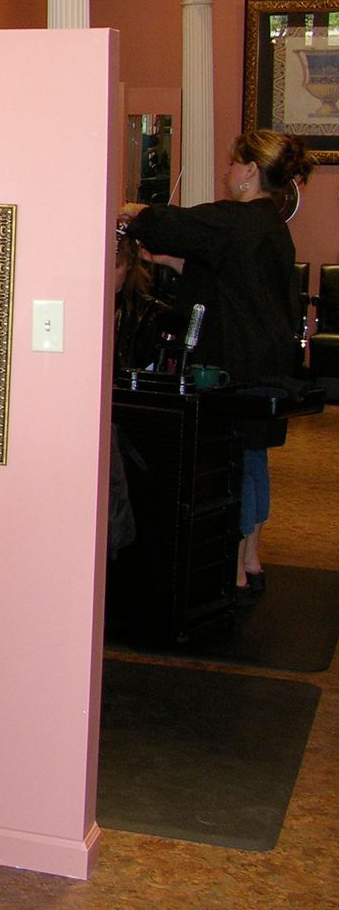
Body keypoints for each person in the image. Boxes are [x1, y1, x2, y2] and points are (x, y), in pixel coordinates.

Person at [117, 129, 311, 598]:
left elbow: (171, 223)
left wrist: (134, 213)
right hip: (267, 360)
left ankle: (234, 572)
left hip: (237, 362)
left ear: (248, 171)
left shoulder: (235, 220)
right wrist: (173, 262)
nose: (225, 172)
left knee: (234, 458)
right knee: (254, 457)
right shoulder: (270, 228)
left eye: (231, 164)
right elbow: (235, 285)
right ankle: (251, 557)